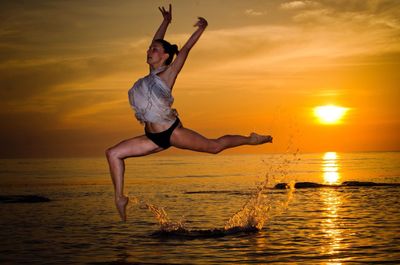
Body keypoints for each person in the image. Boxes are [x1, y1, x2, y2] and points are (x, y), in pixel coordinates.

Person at [106, 5, 273, 222]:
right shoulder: (150, 75)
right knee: (112, 153)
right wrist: (167, 21)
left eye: (154, 50)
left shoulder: (168, 74)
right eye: (149, 49)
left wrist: (201, 29)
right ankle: (120, 198)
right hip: (151, 137)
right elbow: (157, 41)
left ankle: (250, 139)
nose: (149, 51)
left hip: (172, 132)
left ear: (165, 56)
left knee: (214, 147)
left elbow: (184, 51)